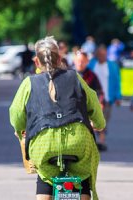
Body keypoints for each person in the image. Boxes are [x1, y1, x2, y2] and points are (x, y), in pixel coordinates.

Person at [10, 36, 105, 200]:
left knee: (45, 172)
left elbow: (16, 113)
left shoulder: (29, 82)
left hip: (44, 143)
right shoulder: (75, 77)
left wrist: (20, 130)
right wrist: (99, 124)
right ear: (60, 58)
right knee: (82, 172)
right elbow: (94, 102)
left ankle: (44, 194)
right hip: (78, 142)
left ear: (36, 62)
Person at [88, 46, 122, 151]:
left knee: (104, 120)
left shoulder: (112, 66)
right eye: (100, 55)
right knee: (92, 120)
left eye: (104, 55)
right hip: (94, 98)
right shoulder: (92, 65)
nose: (102, 57)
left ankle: (101, 141)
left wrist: (118, 96)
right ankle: (96, 141)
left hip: (107, 98)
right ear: (97, 55)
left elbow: (117, 81)